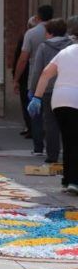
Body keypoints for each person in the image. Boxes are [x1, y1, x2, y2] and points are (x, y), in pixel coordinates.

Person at [30, 39, 78, 194]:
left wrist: (37, 97)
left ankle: (67, 180)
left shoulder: (66, 52)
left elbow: (45, 73)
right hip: (75, 99)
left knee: (68, 140)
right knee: (75, 142)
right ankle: (74, 181)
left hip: (59, 100)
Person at [30, 18, 71, 165]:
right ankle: (70, 155)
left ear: (50, 33)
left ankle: (52, 155)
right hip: (69, 88)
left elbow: (38, 71)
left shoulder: (44, 47)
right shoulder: (71, 46)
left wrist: (34, 91)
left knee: (50, 123)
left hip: (48, 90)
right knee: (70, 124)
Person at [15, 5, 54, 156]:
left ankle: (38, 148)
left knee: (36, 115)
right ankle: (54, 148)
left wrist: (16, 78)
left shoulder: (31, 33)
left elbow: (23, 59)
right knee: (53, 117)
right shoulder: (60, 34)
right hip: (56, 79)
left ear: (38, 17)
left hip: (35, 78)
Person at [13, 17, 38, 139]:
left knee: (27, 102)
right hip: (33, 74)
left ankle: (31, 128)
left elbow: (19, 58)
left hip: (26, 75)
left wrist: (15, 78)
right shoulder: (46, 36)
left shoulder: (25, 37)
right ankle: (32, 127)